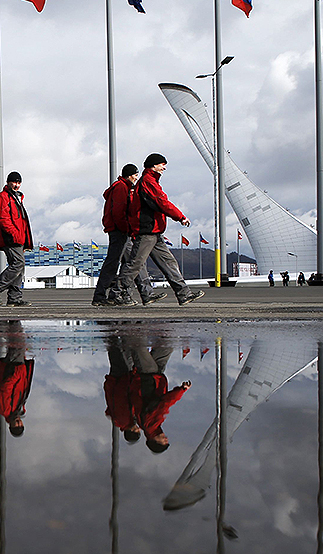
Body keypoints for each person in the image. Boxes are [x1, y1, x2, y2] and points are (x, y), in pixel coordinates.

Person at [116, 154, 204, 306]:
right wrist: (180, 216)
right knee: (135, 264)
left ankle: (184, 294)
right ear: (153, 165)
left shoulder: (150, 181)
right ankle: (117, 294)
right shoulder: (148, 182)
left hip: (155, 232)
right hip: (147, 231)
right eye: (162, 164)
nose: (164, 167)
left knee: (168, 262)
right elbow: (161, 202)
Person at [93, 163, 165, 307]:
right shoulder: (121, 187)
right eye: (135, 175)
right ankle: (105, 296)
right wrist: (127, 229)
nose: (136, 177)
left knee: (131, 262)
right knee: (126, 262)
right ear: (129, 175)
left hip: (120, 230)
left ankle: (140, 294)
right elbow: (119, 211)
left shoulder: (123, 187)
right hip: (120, 231)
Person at [127, 336, 189, 454]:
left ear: (154, 440)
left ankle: (128, 324)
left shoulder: (151, 425)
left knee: (138, 344)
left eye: (163, 441)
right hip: (155, 377)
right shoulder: (147, 425)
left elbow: (164, 403)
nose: (166, 438)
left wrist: (181, 390)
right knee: (166, 344)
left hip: (148, 376)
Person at [0, 171, 34, 307]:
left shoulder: (16, 198)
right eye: (14, 182)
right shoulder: (3, 197)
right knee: (18, 264)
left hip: (18, 238)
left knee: (20, 266)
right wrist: (14, 234)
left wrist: (23, 239)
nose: (17, 185)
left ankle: (14, 298)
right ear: (8, 182)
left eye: (19, 183)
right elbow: (3, 218)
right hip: (11, 238)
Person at [0, 320, 33, 437]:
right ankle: (5, 324)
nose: (18, 422)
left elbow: (5, 388)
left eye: (16, 424)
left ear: (10, 425)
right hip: (20, 369)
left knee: (18, 343)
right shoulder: (20, 410)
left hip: (13, 369)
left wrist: (16, 374)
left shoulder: (4, 410)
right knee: (17, 344)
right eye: (20, 424)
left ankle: (13, 321)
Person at [104, 335, 142, 443]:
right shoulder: (123, 421)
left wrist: (127, 379)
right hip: (116, 381)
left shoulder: (124, 419)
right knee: (117, 355)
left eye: (137, 431)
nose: (138, 428)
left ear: (132, 431)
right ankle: (112, 334)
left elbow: (120, 396)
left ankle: (109, 330)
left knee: (116, 354)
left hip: (118, 380)